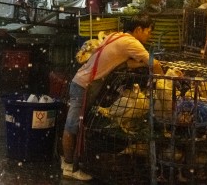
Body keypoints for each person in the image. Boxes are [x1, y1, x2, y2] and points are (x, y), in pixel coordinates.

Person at [61, 13, 164, 181]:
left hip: (83, 82)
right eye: (148, 31)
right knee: (72, 126)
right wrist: (163, 85)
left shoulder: (118, 36)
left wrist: (142, 63)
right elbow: (155, 64)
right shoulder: (131, 42)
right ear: (138, 29)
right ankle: (69, 167)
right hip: (84, 86)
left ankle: (69, 162)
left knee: (76, 125)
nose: (149, 36)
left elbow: (122, 63)